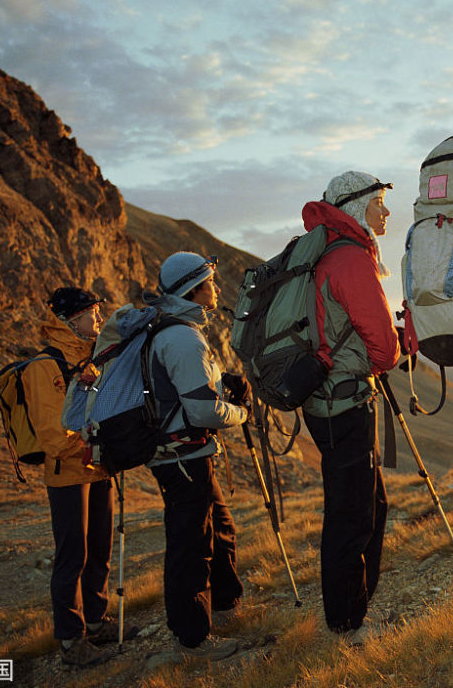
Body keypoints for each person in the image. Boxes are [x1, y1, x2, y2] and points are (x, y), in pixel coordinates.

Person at [300, 171, 400, 644]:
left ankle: (351, 612)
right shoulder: (351, 258)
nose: (385, 211)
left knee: (363, 504)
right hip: (346, 404)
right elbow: (383, 349)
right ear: (358, 205)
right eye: (379, 202)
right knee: (353, 513)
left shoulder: (327, 251)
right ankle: (346, 625)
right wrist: (391, 349)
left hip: (327, 401)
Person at [143, 252, 251, 659]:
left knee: (218, 528)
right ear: (194, 289)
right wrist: (240, 413)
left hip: (182, 454)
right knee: (191, 544)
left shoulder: (170, 331)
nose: (217, 289)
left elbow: (189, 391)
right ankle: (192, 639)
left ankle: (224, 607)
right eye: (211, 282)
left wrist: (222, 385)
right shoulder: (183, 338)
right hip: (184, 458)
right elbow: (201, 411)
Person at [26, 287, 130, 666]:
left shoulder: (92, 359)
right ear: (71, 319)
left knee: (99, 547)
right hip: (68, 473)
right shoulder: (43, 367)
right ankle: (71, 640)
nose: (98, 321)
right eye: (93, 314)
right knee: (73, 554)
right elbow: (53, 435)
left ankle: (96, 621)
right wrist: (91, 444)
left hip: (97, 466)